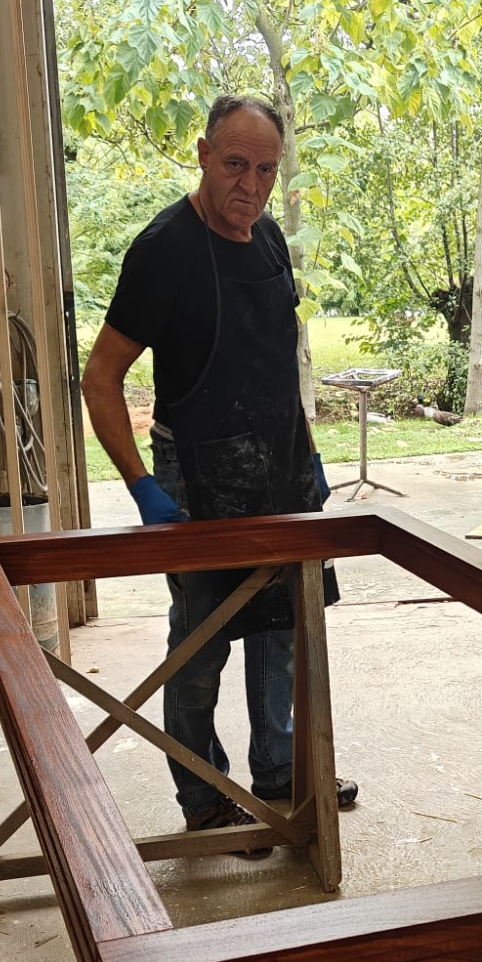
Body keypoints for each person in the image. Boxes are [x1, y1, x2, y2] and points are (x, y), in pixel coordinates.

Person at [81, 93, 356, 849]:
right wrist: (143, 484)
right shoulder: (164, 250)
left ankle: (280, 775)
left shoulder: (267, 237)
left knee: (283, 632)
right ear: (203, 155)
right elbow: (100, 379)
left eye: (266, 170)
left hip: (280, 470)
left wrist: (306, 454)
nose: (251, 186)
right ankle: (204, 798)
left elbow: (276, 367)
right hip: (199, 476)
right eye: (236, 165)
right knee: (201, 646)